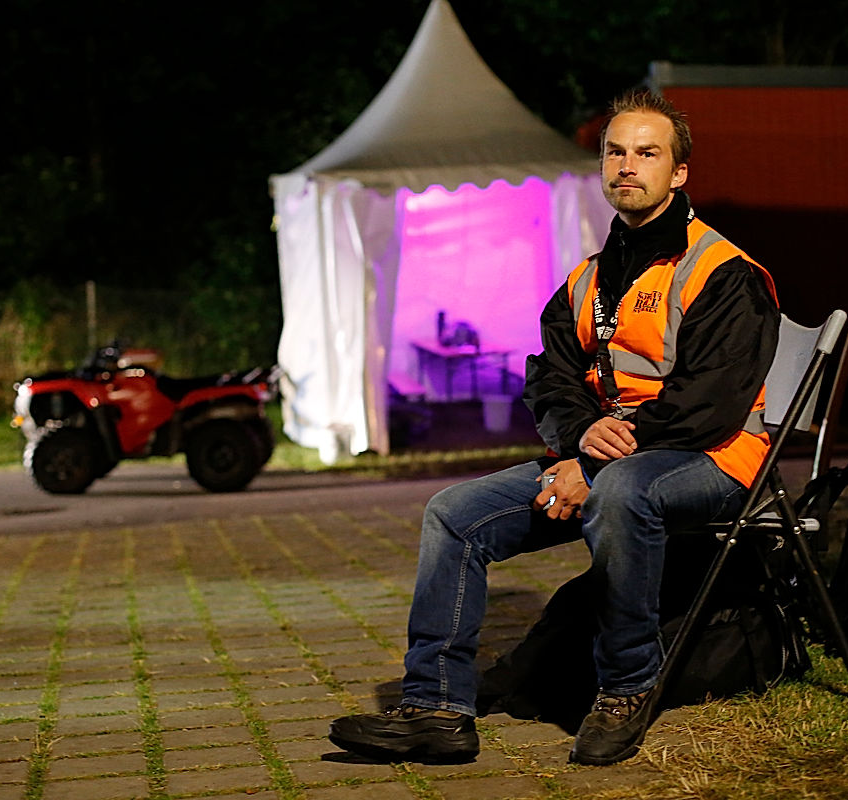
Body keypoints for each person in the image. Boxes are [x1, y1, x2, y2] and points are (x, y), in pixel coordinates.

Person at [328, 89, 780, 766]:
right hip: (606, 461)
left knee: (623, 491)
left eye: (647, 153)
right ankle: (437, 710)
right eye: (615, 151)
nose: (628, 166)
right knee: (454, 514)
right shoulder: (588, 280)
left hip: (713, 460)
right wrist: (577, 439)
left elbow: (706, 406)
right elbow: (549, 378)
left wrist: (591, 465)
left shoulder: (723, 273)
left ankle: (627, 687)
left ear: (679, 172)